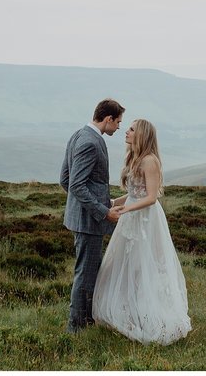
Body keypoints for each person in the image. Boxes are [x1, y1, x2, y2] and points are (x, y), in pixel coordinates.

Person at [92, 118, 191, 345]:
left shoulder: (149, 161)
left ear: (142, 135)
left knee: (145, 264)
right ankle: (129, 310)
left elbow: (151, 197)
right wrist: (112, 202)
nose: (125, 131)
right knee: (126, 264)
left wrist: (126, 209)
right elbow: (135, 193)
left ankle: (149, 314)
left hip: (146, 220)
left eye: (131, 129)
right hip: (132, 216)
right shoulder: (135, 158)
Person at [60, 98, 125, 334]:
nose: (118, 128)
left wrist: (81, 206)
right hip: (90, 221)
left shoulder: (78, 134)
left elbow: (65, 179)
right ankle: (76, 328)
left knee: (89, 271)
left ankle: (87, 320)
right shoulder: (90, 141)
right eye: (117, 122)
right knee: (85, 274)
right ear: (107, 119)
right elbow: (76, 184)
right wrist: (103, 211)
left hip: (83, 218)